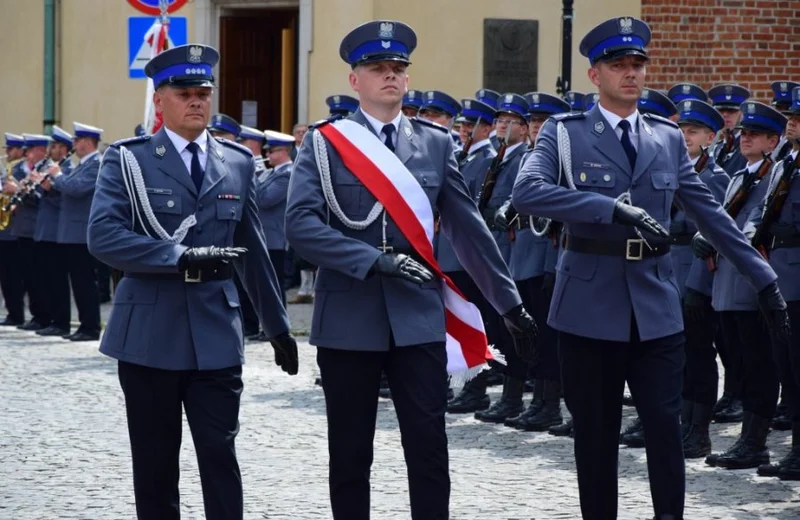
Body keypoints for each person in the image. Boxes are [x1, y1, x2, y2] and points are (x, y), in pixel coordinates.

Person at [512, 16, 790, 520]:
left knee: (665, 429)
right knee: (595, 434)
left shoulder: (664, 136)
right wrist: (607, 207)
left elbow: (709, 210)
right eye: (619, 65)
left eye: (638, 64)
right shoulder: (565, 131)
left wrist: (763, 277)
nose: (632, 73)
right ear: (595, 74)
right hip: (587, 306)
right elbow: (527, 192)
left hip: (655, 306)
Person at [285, 20, 536, 520]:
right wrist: (371, 261)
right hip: (349, 320)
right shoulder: (326, 143)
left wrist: (509, 304)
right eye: (378, 68)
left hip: (417, 320)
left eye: (398, 68)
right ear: (354, 80)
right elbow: (300, 226)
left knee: (428, 447)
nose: (390, 76)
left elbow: (469, 232)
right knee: (351, 454)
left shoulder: (436, 144)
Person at [87, 43, 298, 520]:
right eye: (184, 92)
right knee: (156, 464)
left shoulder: (237, 162)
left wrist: (278, 325)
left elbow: (254, 250)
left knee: (220, 457)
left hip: (215, 335)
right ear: (160, 99)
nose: (197, 101)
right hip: (148, 338)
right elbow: (103, 238)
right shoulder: (129, 161)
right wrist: (180, 256)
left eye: (203, 92)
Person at [695, 101, 788, 471]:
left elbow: (753, 222)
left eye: (754, 135)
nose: (745, 139)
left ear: (772, 141)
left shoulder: (772, 178)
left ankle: (755, 441)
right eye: (744, 133)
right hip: (726, 284)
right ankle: (747, 440)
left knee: (757, 363)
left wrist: (719, 237)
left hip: (750, 283)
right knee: (737, 361)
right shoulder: (739, 178)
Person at [752, 86, 800, 480]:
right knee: (785, 363)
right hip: (781, 272)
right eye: (792, 119)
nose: (791, 125)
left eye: (797, 121)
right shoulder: (788, 163)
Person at [44, 122, 104, 341]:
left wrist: (57, 176)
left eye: (77, 140)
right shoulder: (83, 165)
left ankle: (90, 327)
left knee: (85, 283)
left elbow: (75, 189)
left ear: (88, 142)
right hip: (72, 233)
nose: (74, 144)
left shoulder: (96, 164)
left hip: (82, 233)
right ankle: (83, 326)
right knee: (78, 283)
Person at [30, 125, 74, 337]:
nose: (52, 149)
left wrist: (51, 187)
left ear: (65, 149)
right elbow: (41, 202)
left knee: (57, 280)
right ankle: (49, 318)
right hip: (44, 231)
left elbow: (66, 203)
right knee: (45, 279)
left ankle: (61, 321)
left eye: (56, 146)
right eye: (52, 145)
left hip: (57, 232)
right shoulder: (51, 169)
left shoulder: (68, 170)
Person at [257, 130, 294, 306]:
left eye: (271, 151)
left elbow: (264, 200)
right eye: (266, 151)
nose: (267, 154)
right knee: (266, 285)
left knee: (274, 286)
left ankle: (278, 328)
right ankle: (268, 327)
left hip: (276, 238)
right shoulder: (270, 173)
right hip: (266, 237)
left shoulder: (287, 174)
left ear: (284, 151)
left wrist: (251, 177)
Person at [0, 133, 27, 326]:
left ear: (20, 150)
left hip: (15, 230)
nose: (7, 153)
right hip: (5, 230)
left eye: (10, 149)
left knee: (14, 275)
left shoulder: (22, 169)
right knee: (6, 276)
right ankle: (12, 312)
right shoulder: (9, 168)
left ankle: (17, 313)